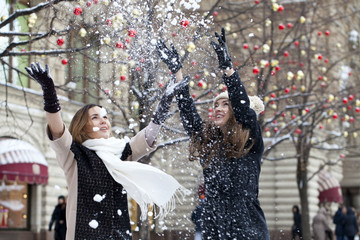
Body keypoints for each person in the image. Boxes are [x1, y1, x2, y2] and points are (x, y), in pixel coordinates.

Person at [25, 63, 188, 240]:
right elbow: (58, 131)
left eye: (105, 117)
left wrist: (163, 107)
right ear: (82, 126)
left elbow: (146, 137)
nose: (103, 121)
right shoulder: (74, 155)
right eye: (95, 118)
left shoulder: (120, 153)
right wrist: (49, 93)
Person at [156, 27, 269, 239]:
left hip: (247, 230)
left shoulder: (250, 141)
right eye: (216, 105)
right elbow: (189, 114)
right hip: (214, 229)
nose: (217, 108)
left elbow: (243, 107)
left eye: (225, 105)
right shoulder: (209, 144)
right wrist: (177, 73)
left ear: (235, 111)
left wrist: (228, 69)